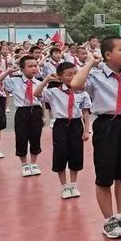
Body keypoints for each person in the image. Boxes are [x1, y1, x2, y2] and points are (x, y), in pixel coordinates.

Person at [70, 37, 121, 239]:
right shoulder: (95, 76)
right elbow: (76, 84)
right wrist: (90, 63)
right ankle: (109, 220)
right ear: (108, 55)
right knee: (105, 176)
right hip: (106, 126)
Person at [35, 61, 91, 198]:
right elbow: (36, 94)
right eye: (69, 74)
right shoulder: (54, 92)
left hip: (76, 125)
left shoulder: (82, 93)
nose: (73, 76)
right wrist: (47, 79)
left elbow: (85, 113)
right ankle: (64, 187)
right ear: (60, 78)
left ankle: (73, 184)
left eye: (75, 73)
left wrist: (86, 130)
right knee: (61, 154)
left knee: (76, 154)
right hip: (61, 125)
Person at [2, 55, 45, 177]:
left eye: (35, 66)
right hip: (22, 111)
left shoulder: (38, 82)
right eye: (30, 66)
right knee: (21, 137)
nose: (33, 69)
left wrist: (43, 115)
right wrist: (8, 71)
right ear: (22, 68)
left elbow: (42, 100)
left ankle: (34, 163)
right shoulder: (14, 81)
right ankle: (24, 164)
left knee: (35, 136)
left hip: (36, 111)